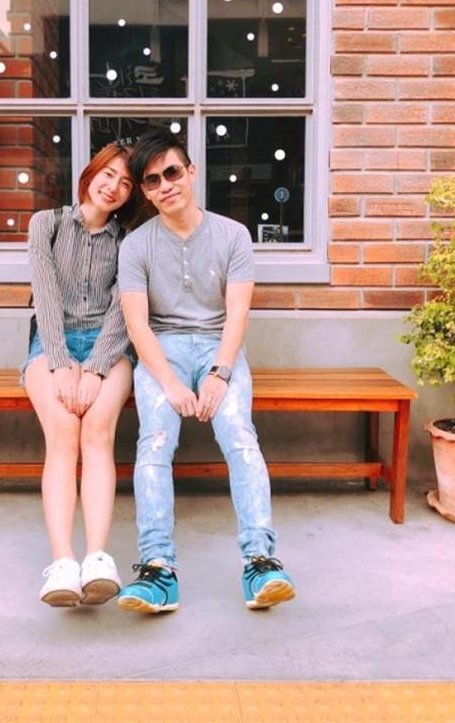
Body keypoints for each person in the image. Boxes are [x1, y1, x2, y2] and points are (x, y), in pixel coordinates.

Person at [116, 133, 296, 613]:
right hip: (162, 350)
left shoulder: (232, 235)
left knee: (239, 434)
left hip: (220, 346)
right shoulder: (135, 245)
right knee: (155, 440)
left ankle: (261, 562)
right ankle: (158, 570)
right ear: (145, 191)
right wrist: (170, 383)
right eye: (152, 181)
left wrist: (219, 373)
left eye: (172, 172)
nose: (165, 185)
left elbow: (237, 313)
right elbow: (137, 324)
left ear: (191, 172)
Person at [22, 142, 136, 607]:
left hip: (110, 347)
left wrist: (96, 367)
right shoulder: (45, 224)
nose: (114, 187)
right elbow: (45, 296)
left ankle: (97, 558)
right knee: (64, 430)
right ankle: (63, 562)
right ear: (91, 173)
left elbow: (124, 308)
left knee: (97, 432)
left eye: (126, 183)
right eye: (108, 174)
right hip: (52, 343)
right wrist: (62, 362)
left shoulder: (130, 241)